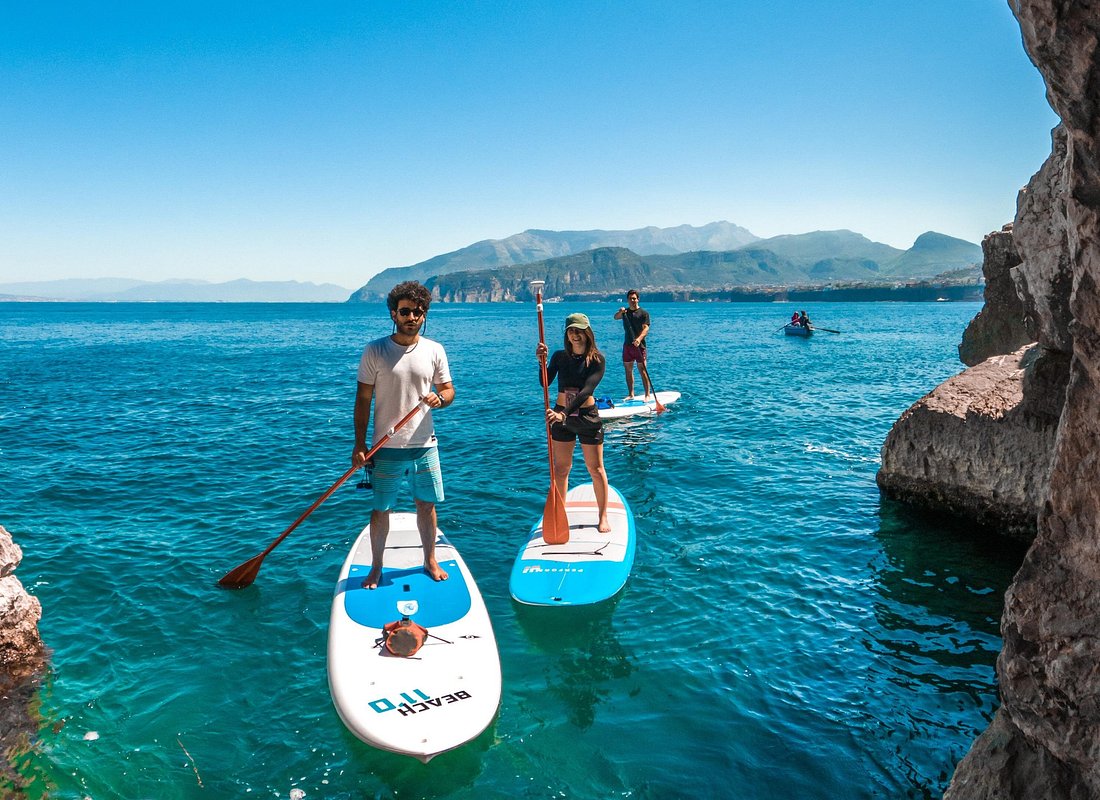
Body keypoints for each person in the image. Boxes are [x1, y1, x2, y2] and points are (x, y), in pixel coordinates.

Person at [352, 281, 455, 590]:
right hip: (387, 448)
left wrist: (442, 399)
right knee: (382, 508)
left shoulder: (434, 349)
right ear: (393, 314)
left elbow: (448, 390)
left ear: (425, 314)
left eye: (418, 312)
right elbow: (363, 400)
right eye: (405, 311)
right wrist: (359, 444)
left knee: (426, 505)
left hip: (425, 446)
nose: (412, 317)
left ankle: (430, 559)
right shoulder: (376, 350)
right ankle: (377, 567)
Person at [535, 312, 612, 533]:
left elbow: (586, 390)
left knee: (596, 469)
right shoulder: (559, 357)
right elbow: (545, 382)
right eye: (571, 331)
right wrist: (541, 361)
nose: (575, 335)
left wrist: (564, 414)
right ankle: (560, 514)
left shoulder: (597, 360)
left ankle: (603, 515)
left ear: (587, 333)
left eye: (579, 331)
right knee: (561, 469)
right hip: (561, 417)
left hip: (586, 417)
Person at [613, 289, 653, 399]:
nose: (632, 300)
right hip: (628, 346)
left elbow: (646, 329)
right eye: (630, 299)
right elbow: (615, 317)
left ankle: (647, 394)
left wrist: (639, 339)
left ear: (638, 299)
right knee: (628, 370)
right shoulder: (625, 313)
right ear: (627, 300)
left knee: (642, 370)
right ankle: (631, 394)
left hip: (640, 346)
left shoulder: (644, 313)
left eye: (634, 298)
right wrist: (620, 312)